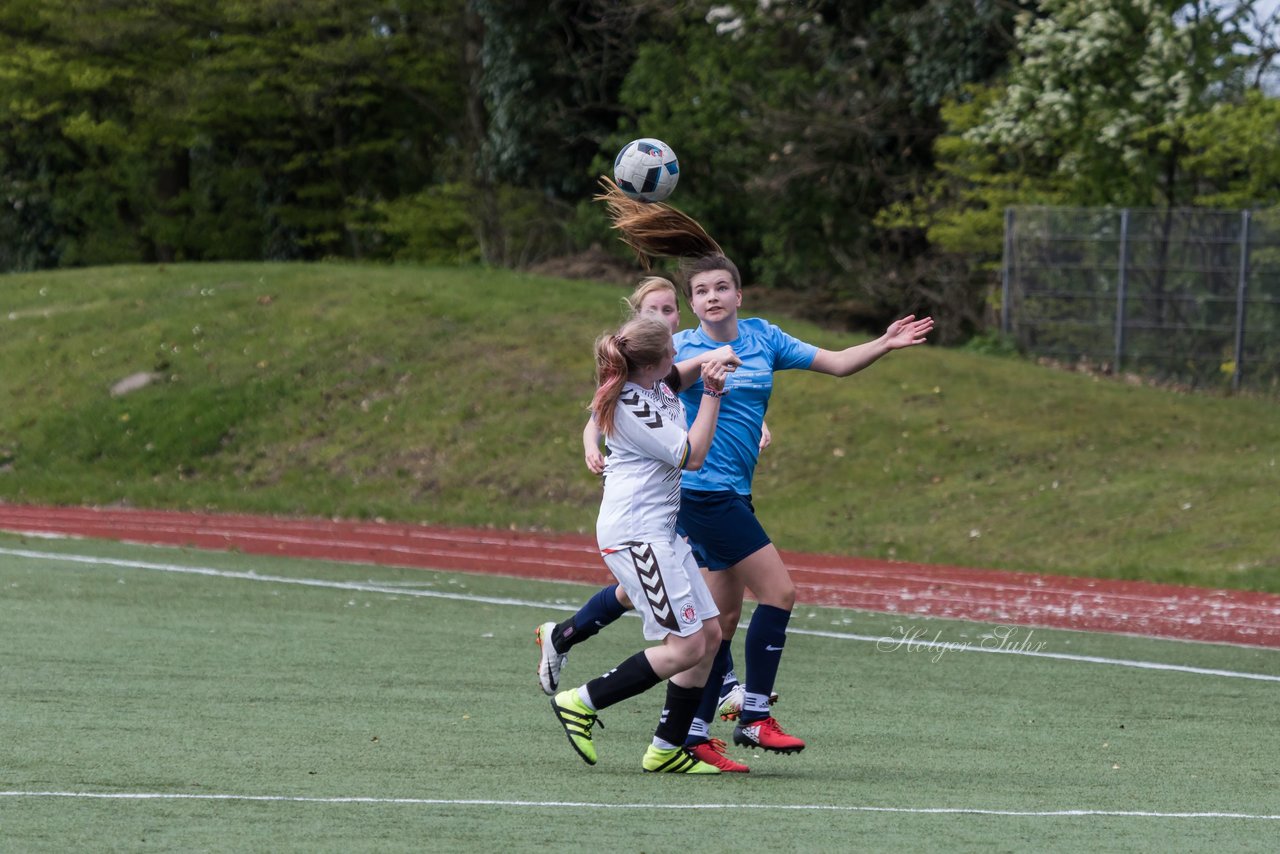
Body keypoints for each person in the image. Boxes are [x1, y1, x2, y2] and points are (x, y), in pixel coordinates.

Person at [574, 178, 933, 768]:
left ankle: (681, 738)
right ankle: (756, 715)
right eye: (701, 290)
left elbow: (839, 364)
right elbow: (610, 399)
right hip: (701, 493)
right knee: (780, 592)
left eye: (722, 287)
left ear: (739, 294)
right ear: (690, 305)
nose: (712, 296)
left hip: (734, 489)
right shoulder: (680, 348)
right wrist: (594, 438)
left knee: (720, 622)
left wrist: (886, 343)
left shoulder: (765, 338)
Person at [547, 313, 731, 774]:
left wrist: (721, 353)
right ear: (646, 366)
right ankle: (582, 701)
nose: (677, 357)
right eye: (670, 351)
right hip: (636, 536)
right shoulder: (634, 403)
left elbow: (677, 372)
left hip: (659, 532)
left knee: (708, 637)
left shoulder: (648, 379)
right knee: (686, 645)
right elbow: (692, 455)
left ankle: (667, 748)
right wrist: (712, 393)